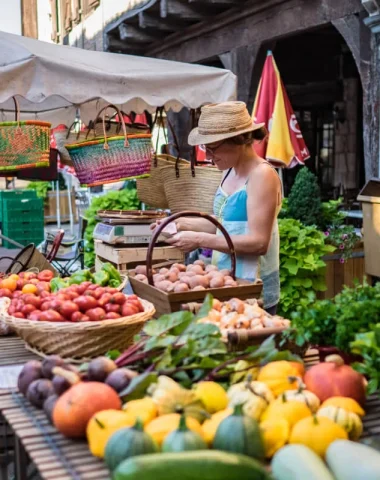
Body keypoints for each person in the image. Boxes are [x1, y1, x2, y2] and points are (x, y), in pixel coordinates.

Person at [162, 102, 282, 314]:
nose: (207, 155)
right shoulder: (229, 171)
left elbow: (259, 243)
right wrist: (178, 222)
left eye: (212, 147)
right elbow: (224, 224)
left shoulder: (262, 175)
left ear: (237, 140)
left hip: (253, 290)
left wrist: (198, 240)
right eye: (204, 147)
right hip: (225, 283)